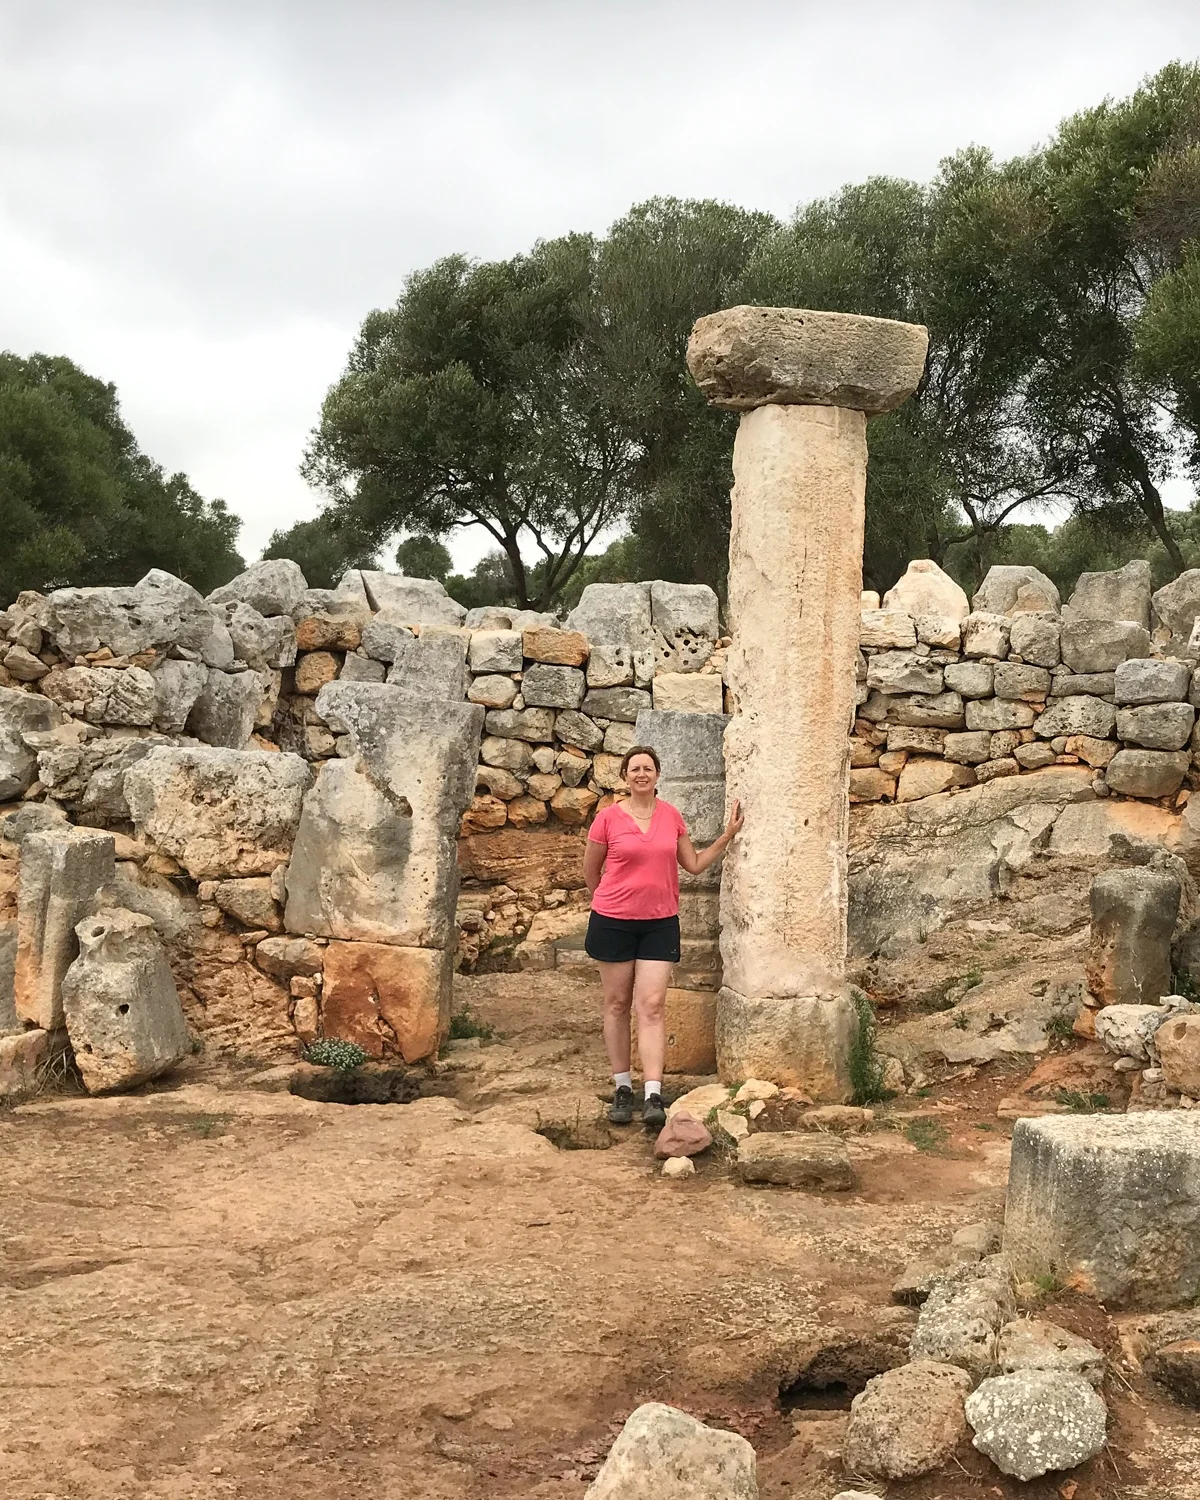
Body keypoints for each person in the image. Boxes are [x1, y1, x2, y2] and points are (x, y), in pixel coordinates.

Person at [583, 743, 743, 1131]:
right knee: (617, 1003)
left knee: (652, 1005)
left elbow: (691, 864)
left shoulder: (671, 816)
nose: (641, 774)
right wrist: (607, 902)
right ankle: (623, 1087)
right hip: (613, 921)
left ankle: (653, 1092)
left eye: (648, 768)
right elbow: (590, 870)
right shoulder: (606, 819)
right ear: (625, 777)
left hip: (659, 923)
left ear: (657, 775)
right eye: (634, 768)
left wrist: (726, 838)